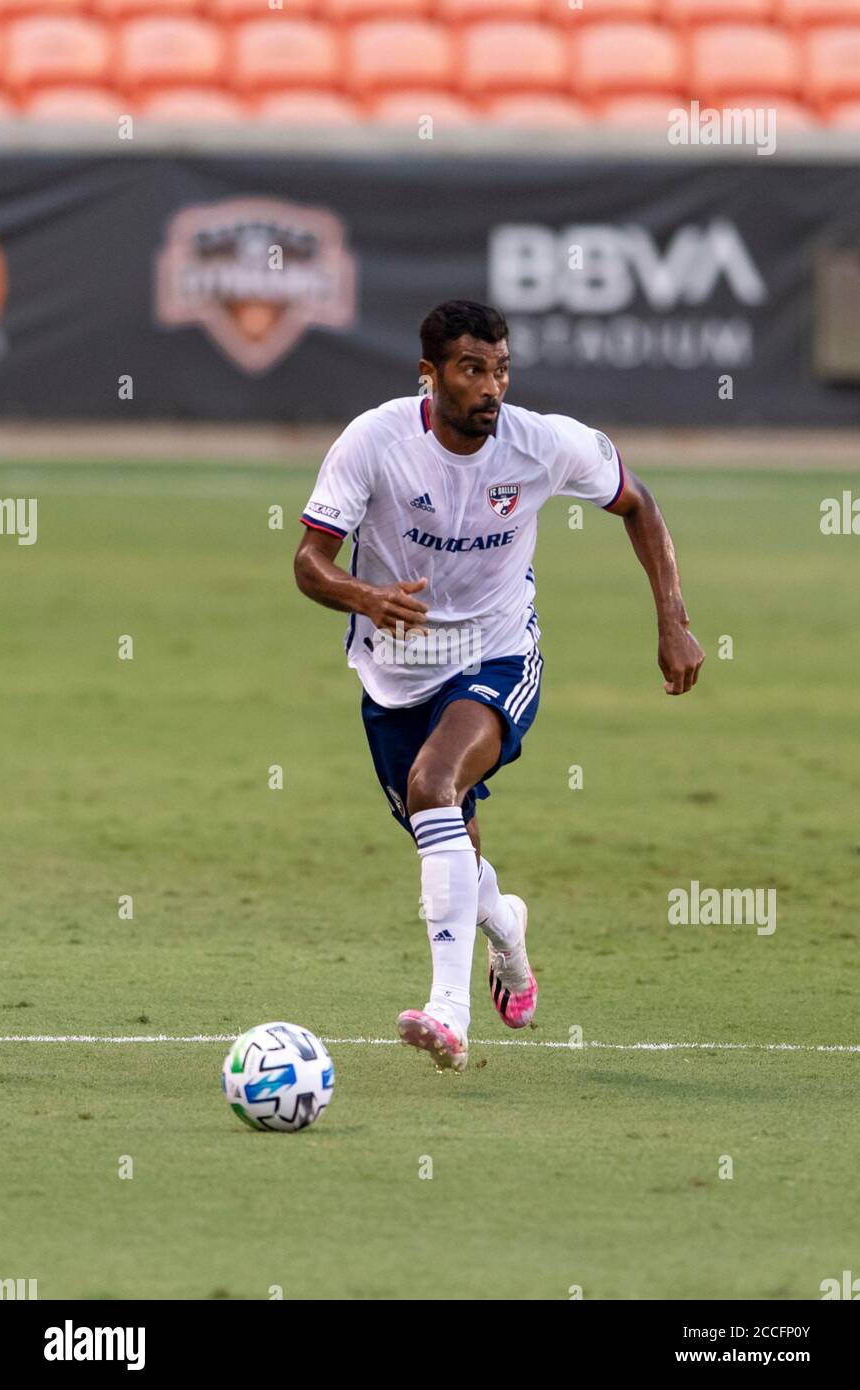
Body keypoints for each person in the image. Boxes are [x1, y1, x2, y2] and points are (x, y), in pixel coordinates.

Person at [294, 300, 704, 1072]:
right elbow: (308, 562)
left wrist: (672, 620)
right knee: (444, 831)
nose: (492, 387)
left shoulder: (540, 444)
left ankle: (449, 1013)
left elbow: (638, 503)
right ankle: (506, 928)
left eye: (501, 370)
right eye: (472, 369)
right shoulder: (375, 442)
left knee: (433, 782)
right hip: (392, 676)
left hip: (497, 655)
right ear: (430, 374)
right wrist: (365, 596)